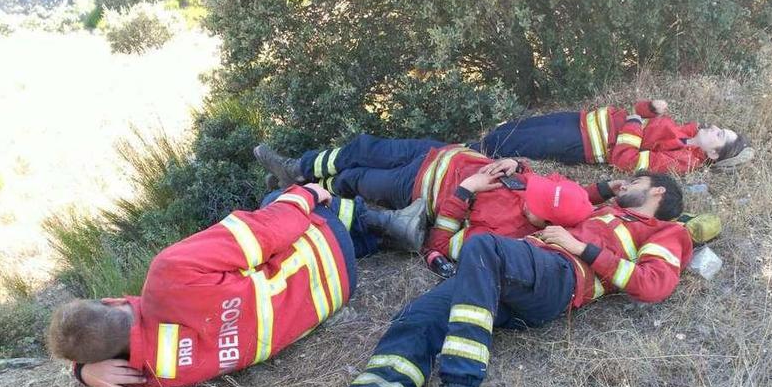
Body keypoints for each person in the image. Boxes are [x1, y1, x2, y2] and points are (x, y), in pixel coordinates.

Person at [265, 173, 694, 387]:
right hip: (511, 274)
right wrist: (600, 188)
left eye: (637, 180)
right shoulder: (603, 211)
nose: (628, 183)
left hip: (559, 279)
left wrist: (581, 249)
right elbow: (562, 196)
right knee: (423, 313)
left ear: (657, 193)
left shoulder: (665, 231)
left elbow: (653, 284)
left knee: (484, 246)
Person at [47, 183, 429, 387]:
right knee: (275, 201)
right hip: (325, 253)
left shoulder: (149, 375)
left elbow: (97, 350)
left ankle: (380, 236)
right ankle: (383, 220)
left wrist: (82, 372)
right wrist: (304, 194)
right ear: (112, 301)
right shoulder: (167, 276)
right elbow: (266, 232)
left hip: (333, 294)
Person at [254, 137, 594, 277]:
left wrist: (465, 190)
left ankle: (301, 187)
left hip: (416, 184)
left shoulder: (508, 233)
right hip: (436, 152)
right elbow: (542, 178)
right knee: (361, 146)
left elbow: (441, 244)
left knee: (355, 178)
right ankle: (297, 167)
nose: (527, 193)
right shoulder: (544, 190)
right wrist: (515, 163)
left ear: (544, 223)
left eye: (533, 201)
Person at [469, 99, 753, 173]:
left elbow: (625, 160)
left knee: (505, 144)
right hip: (582, 120)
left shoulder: (680, 161)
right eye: (720, 127)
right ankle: (468, 147)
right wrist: (647, 109)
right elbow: (637, 115)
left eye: (719, 135)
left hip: (583, 143)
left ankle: (456, 152)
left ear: (714, 154)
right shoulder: (686, 132)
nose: (715, 127)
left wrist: (634, 120)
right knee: (511, 129)